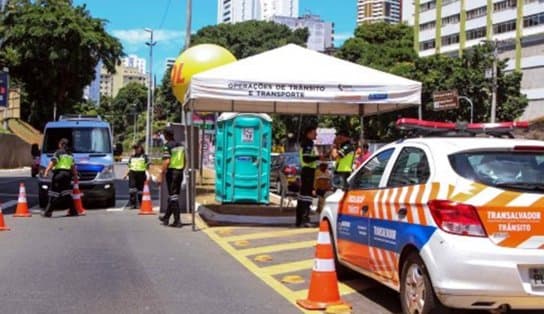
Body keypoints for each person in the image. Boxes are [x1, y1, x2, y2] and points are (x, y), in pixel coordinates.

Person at [43, 138, 78, 217]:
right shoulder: (70, 154)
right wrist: (75, 176)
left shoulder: (58, 153)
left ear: (61, 144)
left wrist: (46, 171)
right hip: (67, 176)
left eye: (59, 144)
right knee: (67, 193)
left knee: (53, 193)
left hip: (59, 175)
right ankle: (73, 211)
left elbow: (53, 162)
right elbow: (73, 167)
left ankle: (48, 212)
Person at [158, 127, 185, 228]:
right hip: (179, 172)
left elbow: (167, 161)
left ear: (166, 135)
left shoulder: (167, 146)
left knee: (173, 197)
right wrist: (181, 169)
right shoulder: (181, 145)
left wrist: (161, 174)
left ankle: (177, 221)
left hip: (172, 172)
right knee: (173, 196)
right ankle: (166, 218)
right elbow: (185, 160)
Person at [296, 126, 321, 228]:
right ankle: (305, 219)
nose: (316, 134)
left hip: (306, 171)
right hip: (308, 171)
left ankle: (300, 219)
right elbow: (307, 159)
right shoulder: (308, 143)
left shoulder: (305, 142)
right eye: (314, 132)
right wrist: (319, 157)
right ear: (309, 133)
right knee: (306, 196)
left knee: (303, 196)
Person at [124, 143, 149, 209]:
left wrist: (150, 175)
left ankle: (141, 204)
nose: (135, 150)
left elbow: (148, 166)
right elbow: (130, 167)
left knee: (140, 191)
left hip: (141, 175)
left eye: (136, 148)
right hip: (132, 174)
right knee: (132, 190)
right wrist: (126, 174)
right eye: (134, 149)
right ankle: (133, 204)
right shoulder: (132, 156)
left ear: (140, 148)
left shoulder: (144, 156)